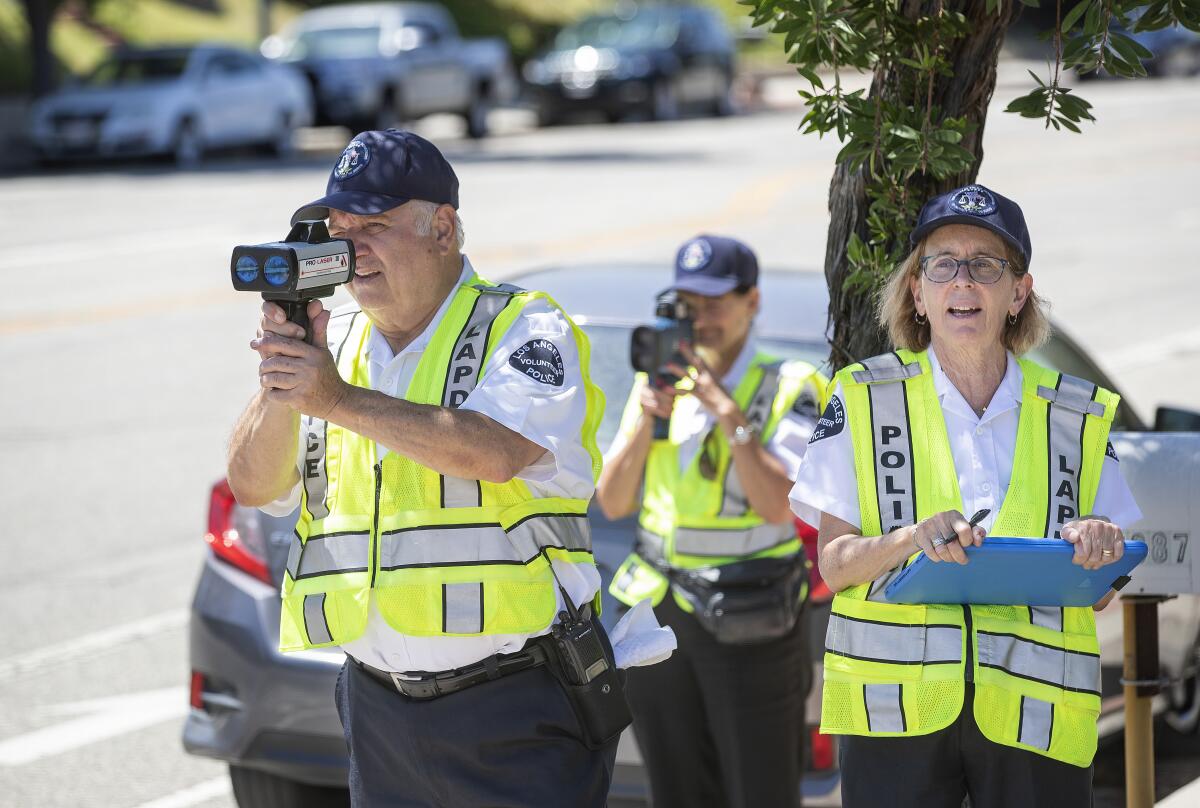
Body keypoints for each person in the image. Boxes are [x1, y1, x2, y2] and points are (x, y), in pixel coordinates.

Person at [226, 129, 619, 807]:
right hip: (378, 708)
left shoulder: (522, 325)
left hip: (514, 707)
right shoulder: (334, 342)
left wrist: (335, 399)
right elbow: (254, 485)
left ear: (442, 229)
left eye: (373, 225)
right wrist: (281, 378)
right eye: (339, 228)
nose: (351, 248)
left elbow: (493, 453)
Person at [789, 184, 1142, 808]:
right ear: (917, 293)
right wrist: (909, 541)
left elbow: (1105, 590)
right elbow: (834, 564)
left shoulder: (1076, 413)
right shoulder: (862, 398)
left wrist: (1099, 544)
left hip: (1038, 722)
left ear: (1018, 293)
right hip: (895, 719)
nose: (963, 282)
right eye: (942, 264)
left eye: (986, 265)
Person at [596, 235, 827, 808]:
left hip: (749, 615)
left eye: (715, 302)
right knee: (677, 790)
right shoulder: (659, 380)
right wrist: (648, 416)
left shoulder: (791, 384)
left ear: (752, 301)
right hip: (657, 614)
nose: (700, 319)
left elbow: (781, 505)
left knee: (761, 789)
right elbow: (616, 501)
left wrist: (725, 410)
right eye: (687, 304)